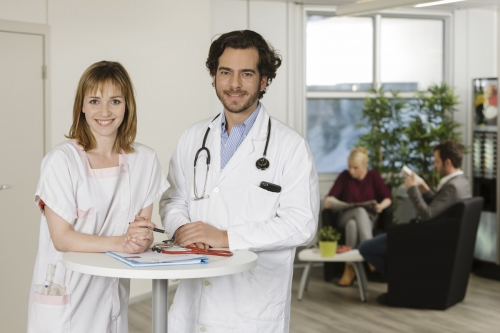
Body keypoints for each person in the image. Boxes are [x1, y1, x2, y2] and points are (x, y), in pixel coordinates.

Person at [160, 30, 319, 332]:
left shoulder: (290, 146)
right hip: (192, 301)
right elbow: (173, 199)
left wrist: (225, 238)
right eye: (225, 72)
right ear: (214, 77)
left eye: (246, 73)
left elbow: (302, 223)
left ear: (264, 81)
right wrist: (183, 229)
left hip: (252, 310)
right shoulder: (194, 137)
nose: (234, 84)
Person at [27, 61, 169, 333]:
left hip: (112, 292)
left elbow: (141, 233)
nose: (105, 112)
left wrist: (140, 239)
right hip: (66, 295)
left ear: (127, 105)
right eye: (94, 100)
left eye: (115, 101)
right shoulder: (61, 161)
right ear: (81, 105)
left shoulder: (145, 160)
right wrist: (123, 241)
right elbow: (62, 238)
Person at [358, 140, 471, 278]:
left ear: (447, 162)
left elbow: (427, 214)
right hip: (438, 236)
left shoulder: (452, 187)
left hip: (424, 239)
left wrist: (412, 189)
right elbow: (441, 208)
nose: (434, 166)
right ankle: (400, 283)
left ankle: (398, 282)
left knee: (365, 248)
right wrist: (425, 189)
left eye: (436, 162)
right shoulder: (462, 183)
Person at [324, 147, 392, 286]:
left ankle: (349, 269)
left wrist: (381, 206)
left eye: (355, 168)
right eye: (349, 166)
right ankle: (370, 252)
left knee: (353, 225)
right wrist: (331, 202)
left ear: (364, 165)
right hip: (345, 216)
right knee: (359, 211)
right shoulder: (344, 176)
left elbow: (388, 198)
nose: (351, 171)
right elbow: (328, 199)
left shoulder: (373, 176)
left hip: (368, 220)